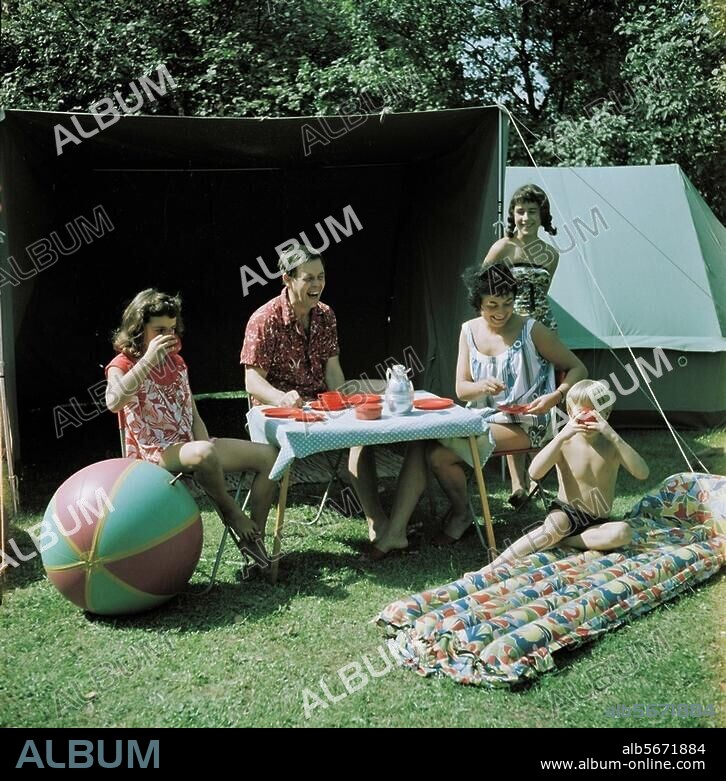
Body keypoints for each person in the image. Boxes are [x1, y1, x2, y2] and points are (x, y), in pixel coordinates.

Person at [105, 289, 278, 565]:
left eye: (172, 329)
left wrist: (205, 442)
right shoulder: (123, 364)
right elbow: (113, 401)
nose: (168, 337)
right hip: (154, 454)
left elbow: (192, 413)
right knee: (204, 454)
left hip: (192, 447)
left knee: (270, 456)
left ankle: (254, 542)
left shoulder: (177, 362)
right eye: (159, 330)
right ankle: (232, 512)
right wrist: (148, 360)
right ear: (139, 331)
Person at [241, 245, 390, 544]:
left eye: (321, 277)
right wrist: (280, 397)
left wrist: (347, 405)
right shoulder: (264, 319)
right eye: (308, 278)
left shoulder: (326, 315)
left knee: (364, 434)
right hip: (276, 412)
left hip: (320, 408)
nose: (317, 285)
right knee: (271, 460)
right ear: (287, 279)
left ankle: (378, 522)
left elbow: (333, 372)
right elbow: (252, 382)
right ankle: (254, 540)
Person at [429, 263, 587, 543]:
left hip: (530, 421)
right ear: (477, 303)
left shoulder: (531, 330)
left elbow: (577, 368)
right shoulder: (468, 331)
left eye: (508, 304)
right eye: (492, 305)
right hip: (483, 418)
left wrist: (556, 396)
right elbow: (461, 390)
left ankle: (461, 517)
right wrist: (480, 386)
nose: (501, 312)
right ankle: (459, 513)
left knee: (446, 453)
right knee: (434, 454)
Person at [481, 379, 650, 574]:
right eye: (581, 413)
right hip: (565, 512)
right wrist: (561, 436)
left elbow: (642, 473)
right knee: (554, 527)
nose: (587, 418)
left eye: (595, 413)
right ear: (570, 414)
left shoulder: (612, 446)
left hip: (598, 522)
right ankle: (492, 567)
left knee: (623, 533)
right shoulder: (565, 442)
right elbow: (534, 472)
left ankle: (567, 540)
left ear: (606, 414)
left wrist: (612, 435)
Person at [482, 183, 559, 331]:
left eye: (532, 211)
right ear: (513, 214)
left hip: (543, 328)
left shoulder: (551, 254)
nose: (526, 218)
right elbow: (481, 293)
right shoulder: (502, 248)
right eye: (520, 211)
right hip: (507, 326)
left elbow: (543, 293)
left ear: (541, 214)